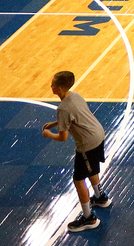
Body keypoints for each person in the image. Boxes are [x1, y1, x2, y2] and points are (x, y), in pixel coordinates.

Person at [42, 70, 110, 232]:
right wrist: (54, 123)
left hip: (87, 143)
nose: (50, 85)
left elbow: (63, 137)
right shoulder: (75, 95)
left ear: (58, 89)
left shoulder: (63, 109)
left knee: (79, 179)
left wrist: (49, 134)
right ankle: (100, 197)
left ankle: (88, 218)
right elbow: (74, 117)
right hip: (98, 134)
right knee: (91, 168)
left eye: (53, 83)